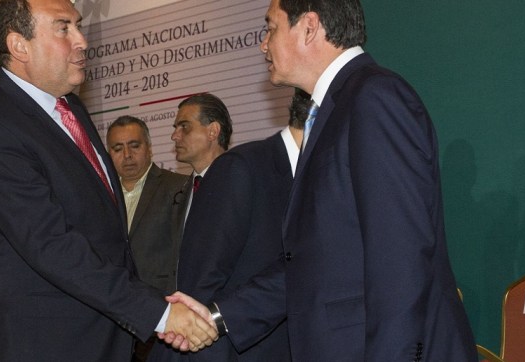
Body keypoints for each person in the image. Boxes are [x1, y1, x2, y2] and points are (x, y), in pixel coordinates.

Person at [179, 0, 477, 360]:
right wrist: (218, 317)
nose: (263, 43)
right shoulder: (331, 113)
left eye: (271, 27)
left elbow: (400, 260)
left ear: (309, 26)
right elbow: (312, 262)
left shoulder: (374, 97)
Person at [0, 0, 216, 360]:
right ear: (19, 46)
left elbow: (104, 233)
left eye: (78, 25)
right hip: (45, 346)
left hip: (101, 338)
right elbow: (54, 247)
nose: (81, 40)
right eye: (63, 28)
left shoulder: (69, 107)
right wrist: (160, 314)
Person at [150, 90, 310, 362]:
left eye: (183, 126)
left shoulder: (306, 174)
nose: (175, 136)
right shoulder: (241, 168)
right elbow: (203, 278)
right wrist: (201, 326)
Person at [105, 116, 189, 362]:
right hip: (113, 316)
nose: (127, 155)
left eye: (135, 145)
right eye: (117, 149)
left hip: (161, 315)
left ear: (150, 148)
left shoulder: (179, 187)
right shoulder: (100, 195)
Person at [169, 93, 233, 220]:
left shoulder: (240, 184)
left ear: (213, 131)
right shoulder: (178, 192)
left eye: (184, 126)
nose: (174, 136)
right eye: (176, 128)